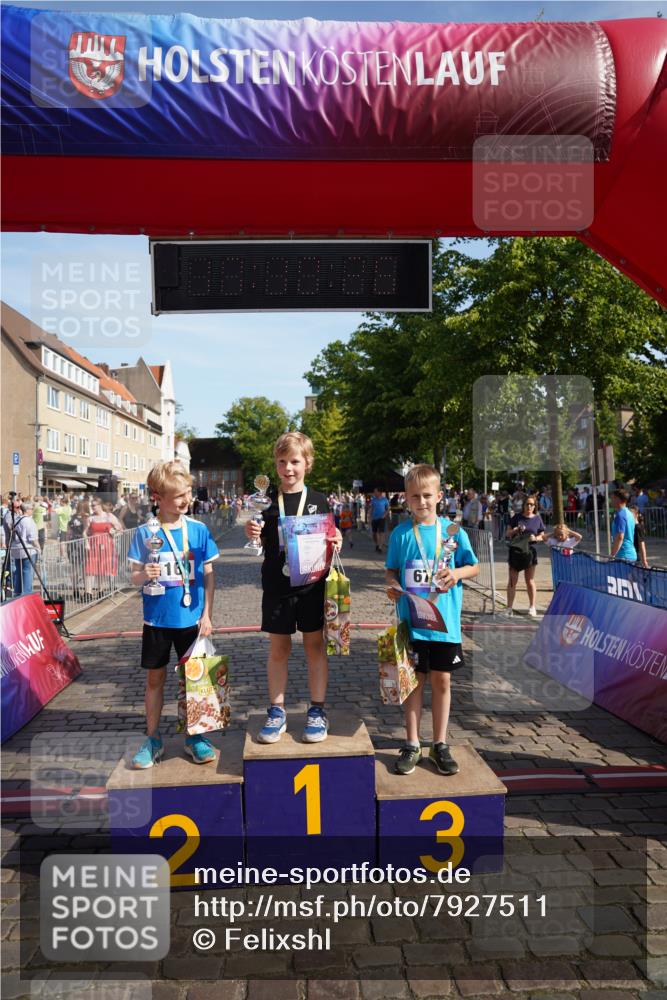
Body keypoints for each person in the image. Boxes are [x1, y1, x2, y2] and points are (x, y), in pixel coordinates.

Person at [244, 432, 342, 745]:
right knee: (279, 649)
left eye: (295, 461)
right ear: (275, 465)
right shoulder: (266, 502)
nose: (288, 468)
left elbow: (331, 534)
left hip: (312, 586)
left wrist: (336, 540)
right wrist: (253, 534)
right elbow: (259, 544)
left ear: (307, 464)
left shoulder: (319, 499)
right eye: (282, 462)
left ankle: (317, 709)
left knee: (314, 645)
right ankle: (277, 710)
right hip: (277, 585)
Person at [385, 465, 479, 776]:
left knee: (442, 681)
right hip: (413, 623)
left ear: (439, 496)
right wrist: (392, 587)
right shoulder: (400, 534)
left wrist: (456, 573)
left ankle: (439, 744)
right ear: (406, 499)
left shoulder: (454, 531)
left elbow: (473, 567)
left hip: (445, 625)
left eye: (427, 496)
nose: (421, 502)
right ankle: (412, 743)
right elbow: (392, 571)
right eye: (415, 496)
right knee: (413, 683)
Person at [128, 461, 219, 768]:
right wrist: (144, 574)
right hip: (156, 620)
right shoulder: (145, 533)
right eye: (178, 495)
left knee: (196, 681)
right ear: (157, 496)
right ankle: (153, 739)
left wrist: (207, 614)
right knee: (155, 678)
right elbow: (133, 577)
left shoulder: (198, 530)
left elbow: (208, 574)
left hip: (192, 620)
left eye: (188, 492)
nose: (185, 499)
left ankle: (196, 737)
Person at [505, 496, 546, 617]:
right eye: (527, 504)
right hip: (516, 550)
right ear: (523, 505)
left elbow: (542, 535)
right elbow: (508, 533)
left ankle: (532, 607)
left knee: (530, 581)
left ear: (535, 506)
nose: (529, 506)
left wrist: (536, 538)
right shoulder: (517, 517)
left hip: (530, 551)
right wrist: (515, 530)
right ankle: (509, 608)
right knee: (513, 580)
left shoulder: (537, 518)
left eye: (532, 505)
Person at [3, 499, 39, 596]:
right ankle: (26, 594)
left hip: (17, 549)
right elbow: (33, 539)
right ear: (27, 510)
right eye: (31, 508)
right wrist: (38, 548)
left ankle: (18, 593)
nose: (32, 510)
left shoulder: (17, 519)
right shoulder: (28, 520)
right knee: (27, 572)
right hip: (27, 549)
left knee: (19, 571)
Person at [610, 488, 637, 562]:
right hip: (629, 554)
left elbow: (620, 537)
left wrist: (612, 555)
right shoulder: (629, 513)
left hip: (623, 556)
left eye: (612, 498)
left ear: (618, 499)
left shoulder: (621, 515)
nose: (611, 501)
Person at [370, 487, 390, 553]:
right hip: (374, 518)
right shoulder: (373, 500)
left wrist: (384, 515)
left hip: (382, 518)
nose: (374, 493)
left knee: (381, 533)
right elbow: (372, 509)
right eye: (374, 491)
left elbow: (387, 509)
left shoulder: (385, 500)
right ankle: (377, 544)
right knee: (374, 534)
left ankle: (380, 547)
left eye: (375, 491)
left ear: (379, 492)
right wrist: (370, 517)